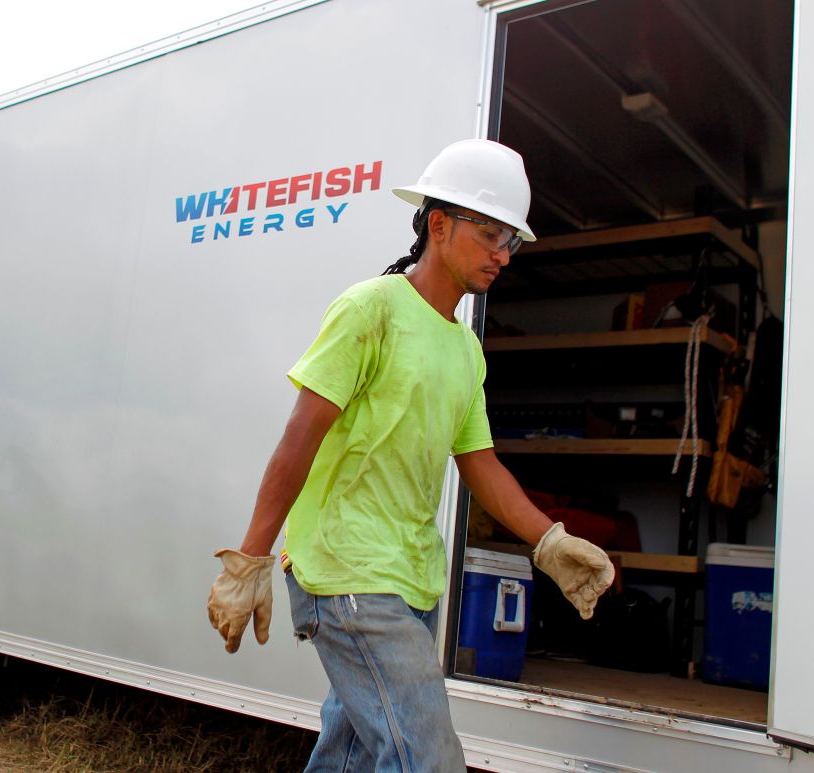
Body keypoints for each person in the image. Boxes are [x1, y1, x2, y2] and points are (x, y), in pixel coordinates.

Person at [207, 139, 615, 772]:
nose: (503, 256)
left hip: (413, 579)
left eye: (512, 242)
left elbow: (480, 463)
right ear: (439, 223)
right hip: (348, 572)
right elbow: (299, 439)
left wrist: (548, 542)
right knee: (426, 758)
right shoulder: (372, 310)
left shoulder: (465, 349)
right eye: (491, 235)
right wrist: (250, 559)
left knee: (351, 758)